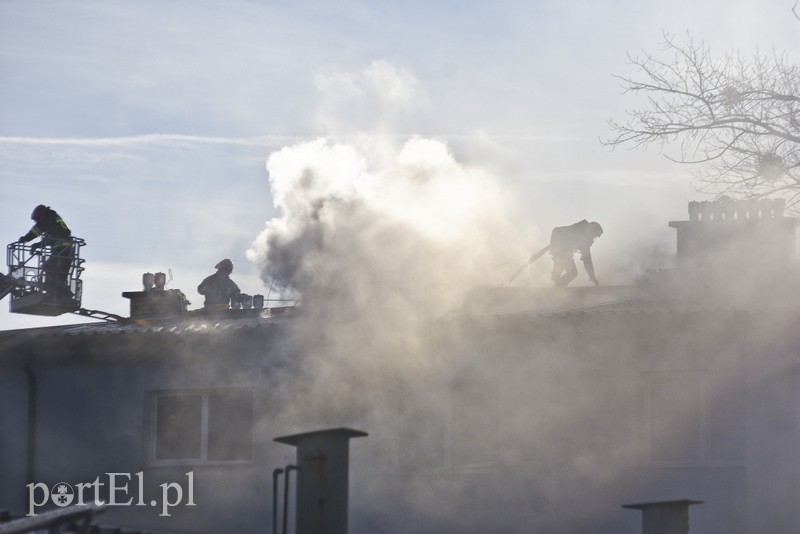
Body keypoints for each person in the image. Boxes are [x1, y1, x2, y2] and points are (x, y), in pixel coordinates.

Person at [17, 205, 74, 298]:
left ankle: (52, 291)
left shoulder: (47, 219)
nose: (36, 222)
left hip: (61, 249)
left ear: (40, 216)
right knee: (61, 273)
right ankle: (60, 294)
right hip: (67, 251)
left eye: (36, 220)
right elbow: (53, 237)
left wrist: (25, 239)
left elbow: (37, 230)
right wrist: (37, 245)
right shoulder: (53, 219)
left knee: (48, 267)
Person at [549, 220, 603, 288]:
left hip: (559, 241)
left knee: (572, 272)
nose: (593, 238)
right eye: (594, 235)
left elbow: (587, 260)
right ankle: (557, 278)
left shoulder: (583, 233)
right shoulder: (582, 234)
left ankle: (558, 285)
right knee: (564, 258)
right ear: (591, 231)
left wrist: (592, 276)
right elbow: (587, 260)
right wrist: (593, 277)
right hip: (560, 243)